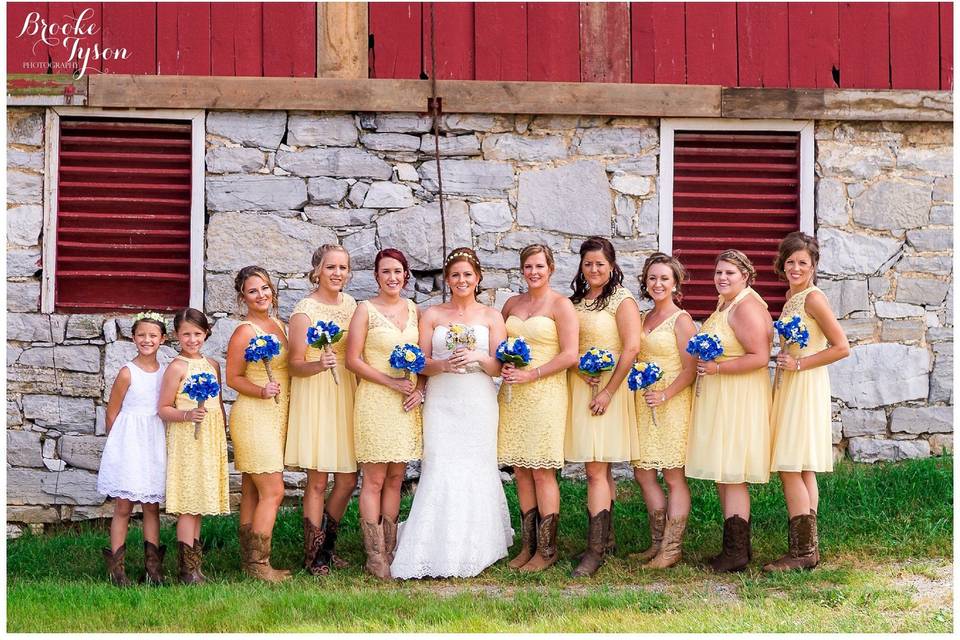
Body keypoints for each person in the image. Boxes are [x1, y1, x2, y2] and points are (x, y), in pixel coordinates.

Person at [391, 248, 513, 579]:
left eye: (467, 275)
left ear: (478, 278)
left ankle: (479, 545)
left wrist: (476, 355)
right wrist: (442, 364)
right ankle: (433, 544)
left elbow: (498, 366)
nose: (462, 280)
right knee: (441, 465)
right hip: (443, 401)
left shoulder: (492, 317)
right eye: (455, 275)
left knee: (477, 466)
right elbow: (420, 361)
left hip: (478, 399)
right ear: (448, 279)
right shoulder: (431, 315)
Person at [765, 232, 849, 571]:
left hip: (805, 383)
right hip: (791, 383)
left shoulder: (813, 298)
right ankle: (808, 548)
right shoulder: (790, 296)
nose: (796, 267)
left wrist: (799, 363)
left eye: (803, 262)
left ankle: (801, 553)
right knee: (802, 466)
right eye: (790, 262)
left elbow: (841, 346)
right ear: (782, 264)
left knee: (788, 464)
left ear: (813, 265)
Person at [685, 250, 773, 573]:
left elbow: (760, 357)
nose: (722, 278)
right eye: (719, 272)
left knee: (733, 474)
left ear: (745, 276)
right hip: (723, 397)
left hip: (738, 398)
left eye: (729, 273)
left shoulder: (746, 307)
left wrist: (718, 369)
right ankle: (735, 547)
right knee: (724, 473)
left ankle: (736, 554)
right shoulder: (726, 303)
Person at [498, 244, 579, 573]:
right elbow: (498, 345)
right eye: (528, 267)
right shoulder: (512, 304)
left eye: (539, 267)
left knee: (542, 470)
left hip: (545, 392)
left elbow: (570, 354)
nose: (533, 272)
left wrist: (532, 373)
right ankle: (528, 544)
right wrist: (502, 364)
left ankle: (547, 549)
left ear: (551, 269)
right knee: (520, 469)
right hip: (513, 395)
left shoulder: (561, 305)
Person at [565, 237, 641, 577]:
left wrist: (609, 391)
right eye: (587, 264)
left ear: (611, 266)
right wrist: (576, 368)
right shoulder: (577, 301)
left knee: (596, 469)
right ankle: (606, 540)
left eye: (599, 264)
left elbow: (631, 349)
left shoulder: (621, 301)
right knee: (599, 469)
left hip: (608, 390)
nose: (593, 269)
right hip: (581, 386)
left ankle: (594, 551)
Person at [345, 248, 423, 580]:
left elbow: (423, 359)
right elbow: (353, 360)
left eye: (398, 271)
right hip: (376, 400)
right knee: (374, 479)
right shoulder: (365, 310)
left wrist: (420, 391)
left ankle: (391, 548)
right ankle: (374, 554)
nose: (392, 277)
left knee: (396, 477)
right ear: (377, 277)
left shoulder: (415, 310)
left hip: (406, 404)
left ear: (406, 276)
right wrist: (390, 382)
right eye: (386, 272)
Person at [286, 245, 359, 576]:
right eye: (331, 267)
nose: (337, 273)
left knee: (347, 477)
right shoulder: (304, 311)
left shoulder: (352, 305)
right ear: (317, 270)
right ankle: (313, 554)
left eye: (343, 267)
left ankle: (328, 546)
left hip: (346, 391)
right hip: (316, 393)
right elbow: (294, 364)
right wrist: (318, 364)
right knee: (317, 478)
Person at [225, 266, 291, 582]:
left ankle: (248, 561)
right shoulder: (245, 331)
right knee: (274, 491)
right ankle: (260, 565)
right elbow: (233, 377)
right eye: (253, 291)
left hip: (276, 417)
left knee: (252, 489)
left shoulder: (278, 324)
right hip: (253, 415)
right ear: (243, 297)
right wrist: (261, 389)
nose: (261, 295)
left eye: (265, 288)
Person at [631, 253, 697, 569]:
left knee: (672, 474)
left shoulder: (681, 320)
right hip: (644, 403)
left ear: (675, 284)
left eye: (664, 279)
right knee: (643, 472)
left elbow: (691, 368)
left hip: (671, 402)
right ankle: (656, 543)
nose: (658, 284)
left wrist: (666, 394)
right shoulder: (643, 318)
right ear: (646, 282)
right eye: (653, 278)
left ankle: (672, 549)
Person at [158, 308, 230, 584]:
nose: (192, 339)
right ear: (177, 336)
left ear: (206, 333)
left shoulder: (212, 364)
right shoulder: (176, 367)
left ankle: (196, 566)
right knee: (189, 501)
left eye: (197, 333)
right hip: (186, 439)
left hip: (209, 438)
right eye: (186, 334)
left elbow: (219, 403)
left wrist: (222, 433)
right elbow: (163, 408)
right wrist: (187, 415)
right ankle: (186, 571)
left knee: (199, 501)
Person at [97, 311, 169, 586]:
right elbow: (112, 413)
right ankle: (117, 570)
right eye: (141, 335)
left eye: (152, 335)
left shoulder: (165, 372)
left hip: (153, 441)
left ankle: (153, 569)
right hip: (129, 443)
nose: (147, 340)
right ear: (133, 338)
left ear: (162, 339)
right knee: (123, 507)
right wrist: (118, 449)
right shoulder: (127, 372)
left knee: (152, 507)